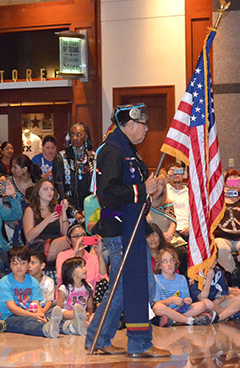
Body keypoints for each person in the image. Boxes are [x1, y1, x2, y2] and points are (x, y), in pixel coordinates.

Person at [85, 104, 168, 358]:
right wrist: (142, 188)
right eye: (143, 124)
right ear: (129, 124)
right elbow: (107, 195)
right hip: (120, 229)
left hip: (132, 226)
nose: (146, 129)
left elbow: (135, 190)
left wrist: (150, 190)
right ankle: (131, 341)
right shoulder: (112, 150)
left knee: (129, 284)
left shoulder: (127, 149)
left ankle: (101, 338)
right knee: (125, 285)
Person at [0, 245, 63, 338]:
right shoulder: (5, 282)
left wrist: (40, 314)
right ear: (10, 265)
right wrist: (34, 316)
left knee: (46, 316)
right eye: (15, 263)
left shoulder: (33, 281)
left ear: (28, 265)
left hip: (29, 313)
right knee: (26, 322)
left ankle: (69, 327)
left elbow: (35, 303)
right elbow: (12, 308)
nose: (19, 267)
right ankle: (46, 329)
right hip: (9, 317)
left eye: (23, 263)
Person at [152, 248, 215, 327]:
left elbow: (186, 300)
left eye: (172, 261)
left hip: (180, 311)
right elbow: (156, 303)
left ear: (175, 263)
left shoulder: (181, 278)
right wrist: (170, 300)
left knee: (202, 305)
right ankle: (190, 320)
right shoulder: (156, 279)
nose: (169, 264)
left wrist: (187, 300)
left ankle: (174, 320)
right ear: (159, 265)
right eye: (165, 261)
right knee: (158, 307)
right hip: (165, 311)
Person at [147, 170, 189, 275]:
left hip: (168, 236)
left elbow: (173, 223)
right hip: (150, 237)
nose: (157, 187)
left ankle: (181, 280)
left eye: (160, 184)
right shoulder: (143, 204)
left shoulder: (168, 203)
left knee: (182, 252)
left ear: (164, 188)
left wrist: (169, 234)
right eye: (155, 183)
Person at [53, 122, 96, 214]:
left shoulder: (92, 158)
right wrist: (72, 212)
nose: (75, 138)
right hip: (68, 208)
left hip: (89, 208)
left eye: (79, 134)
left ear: (86, 136)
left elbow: (97, 185)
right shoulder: (61, 157)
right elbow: (58, 186)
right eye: (72, 135)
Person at [23, 178, 69, 258]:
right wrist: (47, 220)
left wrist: (64, 212)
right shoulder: (30, 210)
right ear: (37, 192)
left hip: (57, 244)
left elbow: (65, 233)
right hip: (39, 245)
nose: (49, 192)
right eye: (45, 189)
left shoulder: (56, 209)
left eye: (52, 189)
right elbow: (29, 237)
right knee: (70, 240)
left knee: (72, 239)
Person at [55, 223, 106, 290]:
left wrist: (99, 254)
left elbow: (102, 278)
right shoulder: (62, 255)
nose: (81, 239)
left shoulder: (93, 258)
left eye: (83, 235)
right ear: (69, 240)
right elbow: (62, 276)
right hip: (68, 297)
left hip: (88, 297)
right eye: (76, 236)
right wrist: (75, 252)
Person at [56, 257, 90, 335]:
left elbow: (90, 308)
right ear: (71, 271)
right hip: (68, 315)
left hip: (83, 315)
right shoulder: (64, 288)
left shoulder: (88, 288)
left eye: (84, 266)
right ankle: (80, 324)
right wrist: (70, 314)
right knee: (65, 313)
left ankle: (81, 324)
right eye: (81, 267)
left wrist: (88, 313)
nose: (85, 269)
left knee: (95, 315)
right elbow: (58, 308)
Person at [165, 164, 189, 238]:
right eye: (173, 171)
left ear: (183, 174)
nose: (176, 174)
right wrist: (167, 178)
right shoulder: (163, 190)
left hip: (188, 229)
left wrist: (192, 227)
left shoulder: (191, 193)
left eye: (179, 171)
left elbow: (198, 214)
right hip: (169, 230)